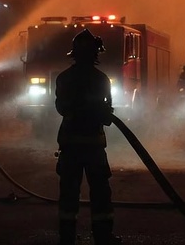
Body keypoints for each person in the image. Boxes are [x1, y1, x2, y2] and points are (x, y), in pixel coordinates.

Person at [54, 29, 119, 245]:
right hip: (94, 147)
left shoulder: (64, 78)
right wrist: (97, 112)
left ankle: (66, 238)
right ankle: (103, 236)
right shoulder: (101, 79)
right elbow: (107, 112)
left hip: (70, 145)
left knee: (68, 194)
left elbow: (61, 108)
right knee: (100, 193)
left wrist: (79, 110)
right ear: (95, 54)